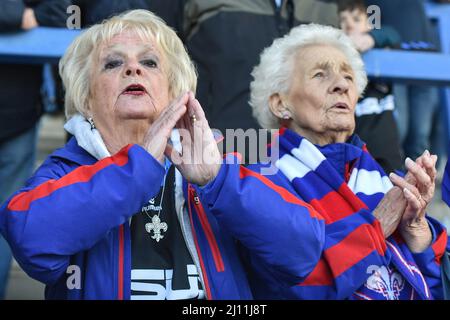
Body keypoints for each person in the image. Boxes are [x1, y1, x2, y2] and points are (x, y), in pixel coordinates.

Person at [0, 10, 252, 300]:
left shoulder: (219, 165)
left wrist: (219, 184)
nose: (133, 69)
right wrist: (137, 169)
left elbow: (297, 256)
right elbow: (28, 237)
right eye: (113, 63)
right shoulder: (64, 170)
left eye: (149, 62)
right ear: (86, 98)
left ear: (173, 92)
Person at [196, 23, 447, 299]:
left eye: (349, 77)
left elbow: (434, 287)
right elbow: (301, 286)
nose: (341, 85)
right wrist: (375, 228)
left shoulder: (384, 182)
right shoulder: (264, 182)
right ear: (281, 104)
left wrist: (418, 234)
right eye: (320, 75)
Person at [0, 0, 70, 300]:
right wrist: (17, 15)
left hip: (16, 111)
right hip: (19, 109)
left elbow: (59, 11)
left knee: (6, 216)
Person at [337, 0, 403, 173]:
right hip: (351, 159)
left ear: (369, 23)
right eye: (343, 21)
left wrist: (371, 38)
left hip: (388, 160)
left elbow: (393, 35)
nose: (350, 25)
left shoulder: (383, 46)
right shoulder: (334, 57)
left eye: (357, 19)